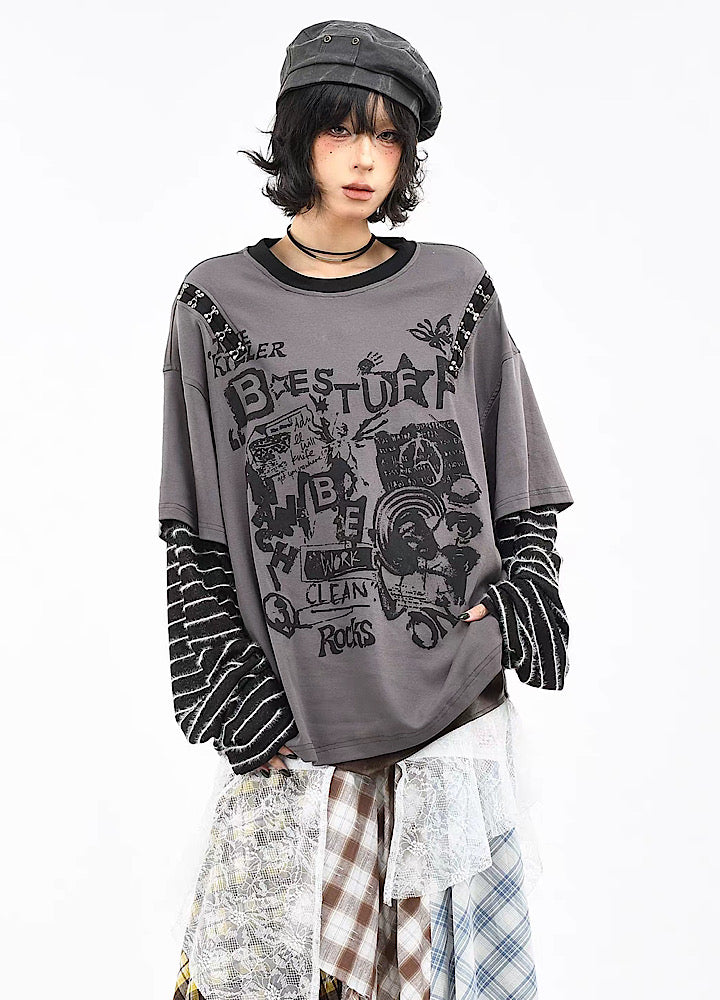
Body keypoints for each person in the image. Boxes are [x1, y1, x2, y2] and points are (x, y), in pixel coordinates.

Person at [160, 20, 574, 1000]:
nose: (363, 159)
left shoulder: (457, 286)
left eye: (388, 136)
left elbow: (519, 487)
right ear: (297, 135)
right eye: (343, 129)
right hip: (293, 728)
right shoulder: (216, 303)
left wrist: (523, 600)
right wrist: (237, 699)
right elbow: (193, 529)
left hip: (452, 720)